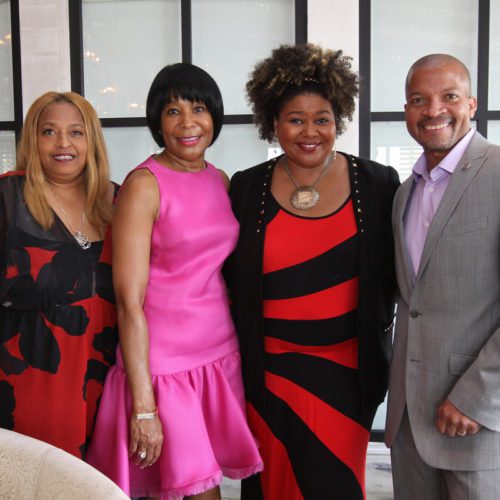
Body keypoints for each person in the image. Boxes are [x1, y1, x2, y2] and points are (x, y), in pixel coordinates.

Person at [224, 43, 400, 499]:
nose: (309, 132)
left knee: (336, 485)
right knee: (271, 487)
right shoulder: (246, 188)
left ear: (338, 119)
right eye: (295, 120)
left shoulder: (378, 185)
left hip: (347, 378)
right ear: (273, 122)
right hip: (267, 377)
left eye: (322, 119)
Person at [87, 62, 263, 500]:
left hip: (219, 354)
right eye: (173, 111)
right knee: (192, 488)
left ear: (214, 116)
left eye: (198, 109)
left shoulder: (220, 180)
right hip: (164, 364)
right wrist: (144, 404)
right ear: (157, 122)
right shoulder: (144, 185)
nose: (188, 123)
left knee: (204, 483)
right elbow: (129, 302)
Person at [385, 54, 500, 499]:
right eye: (419, 99)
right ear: (407, 110)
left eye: (449, 96)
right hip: (410, 420)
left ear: (471, 104)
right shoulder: (403, 193)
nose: (433, 110)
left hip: (476, 421)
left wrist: (477, 398)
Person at [0, 91, 118, 459]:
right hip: (29, 386)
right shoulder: (8, 196)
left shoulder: (119, 200)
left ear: (91, 140)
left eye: (76, 132)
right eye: (49, 131)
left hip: (109, 383)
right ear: (33, 140)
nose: (63, 143)